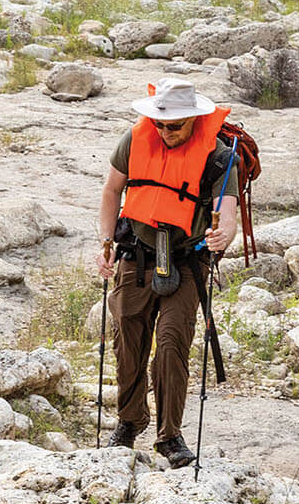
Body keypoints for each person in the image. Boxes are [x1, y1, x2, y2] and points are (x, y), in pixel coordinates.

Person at [95, 78, 240, 467]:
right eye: (159, 124)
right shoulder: (134, 140)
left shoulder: (220, 157)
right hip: (135, 255)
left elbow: (227, 212)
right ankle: (129, 420)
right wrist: (105, 241)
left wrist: (223, 234)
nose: (164, 131)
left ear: (193, 119)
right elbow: (112, 191)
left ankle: (169, 435)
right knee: (127, 333)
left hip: (186, 260)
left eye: (173, 125)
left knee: (172, 343)